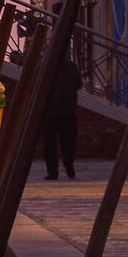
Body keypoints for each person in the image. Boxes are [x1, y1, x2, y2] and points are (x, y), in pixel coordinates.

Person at [44, 51, 84, 181]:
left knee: (68, 143)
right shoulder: (45, 67)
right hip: (51, 112)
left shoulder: (69, 67)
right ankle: (54, 170)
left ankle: (66, 165)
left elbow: (78, 83)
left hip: (65, 111)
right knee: (51, 144)